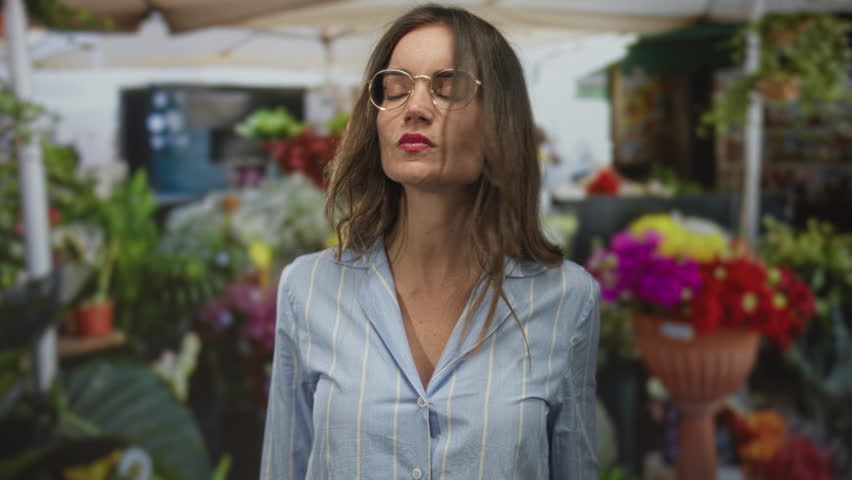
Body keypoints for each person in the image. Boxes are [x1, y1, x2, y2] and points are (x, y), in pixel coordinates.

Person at [260, 4, 600, 479]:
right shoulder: (309, 288)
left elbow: (574, 467)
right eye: (395, 87)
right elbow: (283, 466)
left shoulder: (565, 297)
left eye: (449, 88)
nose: (414, 108)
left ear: (500, 121)